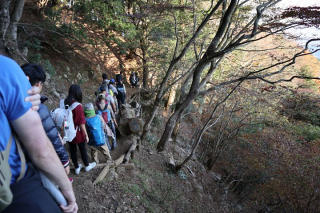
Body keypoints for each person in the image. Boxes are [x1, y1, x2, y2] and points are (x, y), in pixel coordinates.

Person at [0, 55, 77, 212]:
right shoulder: (6, 70)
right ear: (33, 81)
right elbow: (42, 149)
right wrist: (65, 177)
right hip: (15, 188)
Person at [21, 63, 70, 175]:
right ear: (38, 84)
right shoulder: (39, 108)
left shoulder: (10, 101)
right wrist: (65, 161)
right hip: (34, 162)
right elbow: (52, 136)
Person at [65, 84, 96, 175]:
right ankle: (86, 165)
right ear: (78, 93)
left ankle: (77, 167)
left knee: (73, 150)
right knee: (82, 149)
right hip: (78, 132)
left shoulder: (66, 103)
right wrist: (86, 135)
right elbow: (81, 123)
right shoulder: (78, 106)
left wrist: (66, 131)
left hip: (69, 131)